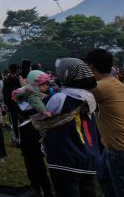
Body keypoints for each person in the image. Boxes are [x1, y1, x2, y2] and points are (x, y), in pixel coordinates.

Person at [37, 58, 99, 196]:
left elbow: (40, 117)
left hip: (65, 158)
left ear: (65, 74)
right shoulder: (90, 97)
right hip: (89, 156)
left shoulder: (60, 98)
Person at [86, 49, 124, 197]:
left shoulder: (99, 87)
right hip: (111, 146)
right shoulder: (116, 82)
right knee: (103, 176)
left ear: (92, 67)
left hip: (118, 148)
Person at [2, 64, 22, 145]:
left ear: (9, 70)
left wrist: (6, 104)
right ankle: (21, 138)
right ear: (17, 70)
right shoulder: (19, 80)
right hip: (20, 104)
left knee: (13, 123)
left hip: (11, 104)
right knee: (21, 121)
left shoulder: (7, 81)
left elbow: (5, 93)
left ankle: (16, 139)